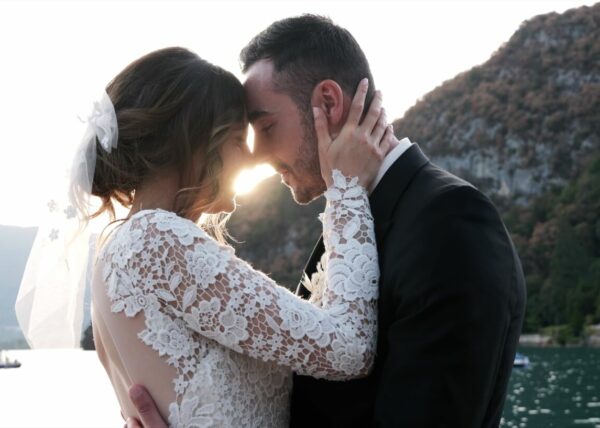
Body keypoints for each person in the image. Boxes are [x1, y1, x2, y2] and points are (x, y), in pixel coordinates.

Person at [127, 15, 526, 428]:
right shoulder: (349, 219)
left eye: (265, 126)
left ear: (329, 103)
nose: (257, 156)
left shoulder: (450, 224)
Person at [82, 46, 392, 427]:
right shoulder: (156, 240)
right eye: (236, 139)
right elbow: (349, 349)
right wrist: (346, 189)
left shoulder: (114, 250)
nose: (250, 159)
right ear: (193, 143)